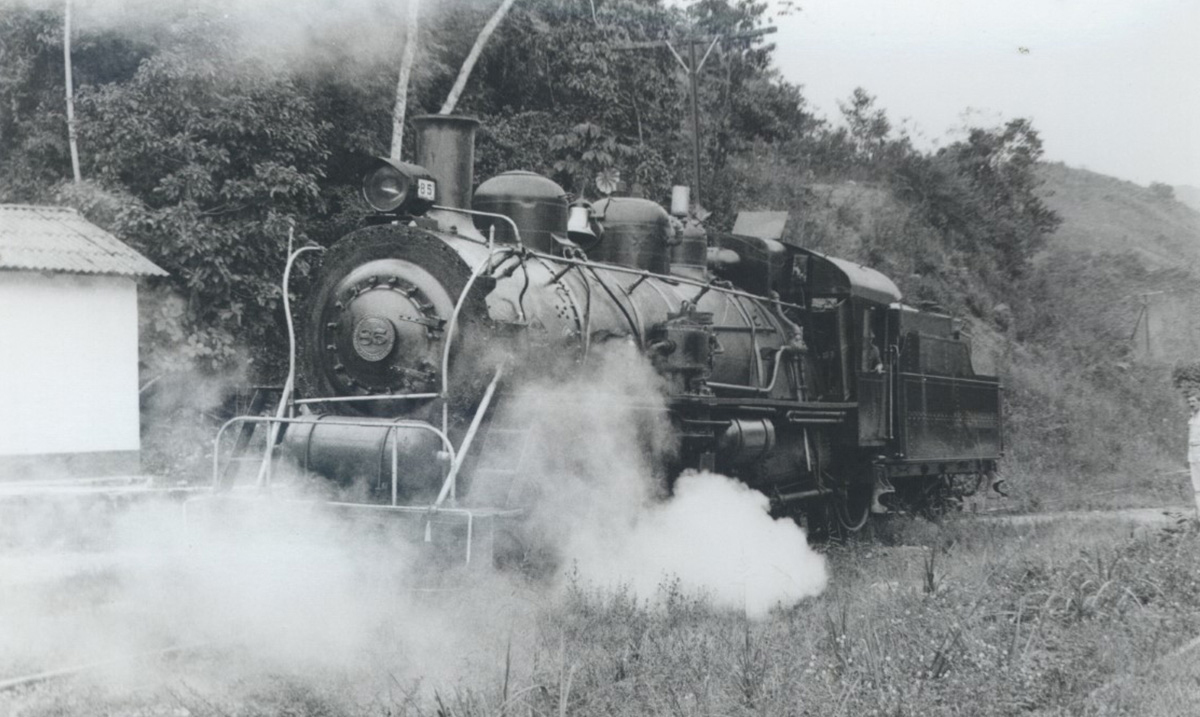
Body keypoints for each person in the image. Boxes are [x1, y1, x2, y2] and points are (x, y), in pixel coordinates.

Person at [1188, 393, 1200, 514]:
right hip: (1193, 455)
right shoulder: (1192, 417)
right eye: (1189, 402)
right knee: (1197, 487)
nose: (1191, 404)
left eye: (1194, 401)